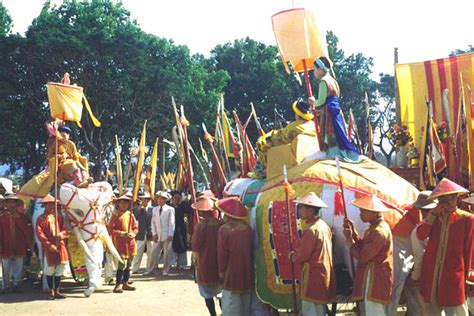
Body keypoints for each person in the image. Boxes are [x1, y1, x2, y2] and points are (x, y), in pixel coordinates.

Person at [416, 178, 473, 315]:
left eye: (451, 199)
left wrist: (468, 274)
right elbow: (420, 235)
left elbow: (469, 248)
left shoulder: (466, 219)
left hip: (453, 274)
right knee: (430, 309)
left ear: (457, 200)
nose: (447, 204)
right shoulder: (433, 217)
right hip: (431, 273)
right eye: (443, 200)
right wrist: (433, 215)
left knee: (456, 310)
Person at [389, 191, 438, 316]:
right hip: (425, 272)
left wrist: (415, 276)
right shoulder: (424, 227)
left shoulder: (417, 227)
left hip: (418, 272)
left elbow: (419, 255)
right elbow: (419, 255)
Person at [343, 194, 393, 315]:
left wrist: (349, 241)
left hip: (375, 279)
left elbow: (363, 257)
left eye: (363, 211)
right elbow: (364, 246)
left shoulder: (378, 232)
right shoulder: (374, 228)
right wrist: (354, 233)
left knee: (374, 311)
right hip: (373, 276)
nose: (360, 214)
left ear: (375, 213)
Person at [289, 192, 336, 315]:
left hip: (313, 275)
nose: (298, 210)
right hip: (322, 273)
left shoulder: (311, 230)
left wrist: (292, 256)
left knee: (312, 310)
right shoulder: (323, 226)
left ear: (310, 210)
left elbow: (303, 255)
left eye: (301, 208)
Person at [18, 122, 91, 199]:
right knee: (72, 164)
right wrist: (60, 156)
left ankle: (85, 178)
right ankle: (79, 181)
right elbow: (49, 156)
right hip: (60, 164)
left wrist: (74, 157)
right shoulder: (54, 143)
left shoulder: (71, 144)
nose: (65, 135)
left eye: (67, 134)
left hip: (72, 162)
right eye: (62, 134)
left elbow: (75, 154)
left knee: (79, 163)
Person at [310, 56, 361, 162]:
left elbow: (321, 101)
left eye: (314, 69)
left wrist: (312, 101)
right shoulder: (333, 81)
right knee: (339, 131)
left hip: (328, 112)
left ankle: (334, 153)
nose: (313, 72)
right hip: (337, 111)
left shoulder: (323, 81)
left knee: (331, 136)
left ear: (320, 68)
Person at [251, 98, 316, 178]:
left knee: (263, 144)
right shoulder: (313, 125)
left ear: (298, 115)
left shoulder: (294, 127)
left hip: (293, 157)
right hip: (311, 153)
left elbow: (280, 138)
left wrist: (264, 139)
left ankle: (261, 173)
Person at [216, 197, 253, 316]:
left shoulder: (224, 230)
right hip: (247, 269)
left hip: (231, 270)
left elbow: (222, 254)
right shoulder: (248, 229)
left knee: (231, 302)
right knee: (245, 302)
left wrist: (221, 272)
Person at [191, 197, 223, 316]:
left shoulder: (201, 226)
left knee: (206, 293)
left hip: (204, 262)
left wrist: (194, 264)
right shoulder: (222, 224)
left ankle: (213, 314)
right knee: (221, 293)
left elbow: (195, 247)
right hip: (220, 263)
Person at [36, 194, 69, 300]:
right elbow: (40, 234)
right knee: (49, 270)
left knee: (59, 269)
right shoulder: (40, 219)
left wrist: (61, 235)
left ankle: (57, 291)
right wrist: (49, 245)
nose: (50, 206)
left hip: (60, 246)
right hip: (49, 248)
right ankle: (51, 291)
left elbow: (66, 229)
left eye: (52, 204)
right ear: (44, 206)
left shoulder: (59, 217)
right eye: (48, 204)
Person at [0, 194, 35, 294]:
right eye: (9, 202)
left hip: (20, 246)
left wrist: (18, 219)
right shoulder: (2, 218)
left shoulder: (22, 217)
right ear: (6, 204)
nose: (11, 204)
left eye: (13, 202)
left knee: (18, 268)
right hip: (6, 246)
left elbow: (27, 231)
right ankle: (5, 286)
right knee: (5, 268)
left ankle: (16, 285)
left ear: (16, 204)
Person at [107, 194, 138, 293]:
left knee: (129, 265)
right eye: (122, 202)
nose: (124, 204)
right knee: (121, 265)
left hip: (130, 243)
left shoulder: (130, 214)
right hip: (120, 243)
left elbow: (135, 227)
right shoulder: (115, 215)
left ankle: (125, 282)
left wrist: (133, 234)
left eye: (126, 202)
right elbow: (110, 230)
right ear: (118, 204)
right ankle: (118, 284)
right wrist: (122, 234)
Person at [149, 190, 175, 275]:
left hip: (167, 234)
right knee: (153, 253)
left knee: (167, 254)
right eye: (158, 199)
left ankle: (165, 270)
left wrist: (171, 234)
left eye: (162, 199)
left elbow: (171, 223)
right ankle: (151, 269)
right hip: (157, 234)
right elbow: (153, 222)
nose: (159, 200)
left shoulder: (170, 209)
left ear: (165, 200)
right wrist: (154, 233)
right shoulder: (154, 209)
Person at [131, 191, 154, 274]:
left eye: (145, 199)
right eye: (142, 199)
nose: (143, 201)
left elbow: (151, 220)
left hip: (150, 232)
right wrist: (139, 210)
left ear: (148, 201)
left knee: (150, 252)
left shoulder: (152, 209)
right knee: (138, 251)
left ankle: (149, 269)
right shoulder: (136, 209)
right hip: (140, 232)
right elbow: (135, 218)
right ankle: (134, 268)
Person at [170, 190, 191, 269]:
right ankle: (172, 263)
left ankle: (181, 264)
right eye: (175, 198)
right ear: (172, 199)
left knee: (182, 246)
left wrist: (184, 202)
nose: (177, 200)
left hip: (181, 229)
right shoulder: (169, 207)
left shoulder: (183, 206)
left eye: (179, 198)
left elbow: (189, 211)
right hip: (172, 229)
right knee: (172, 247)